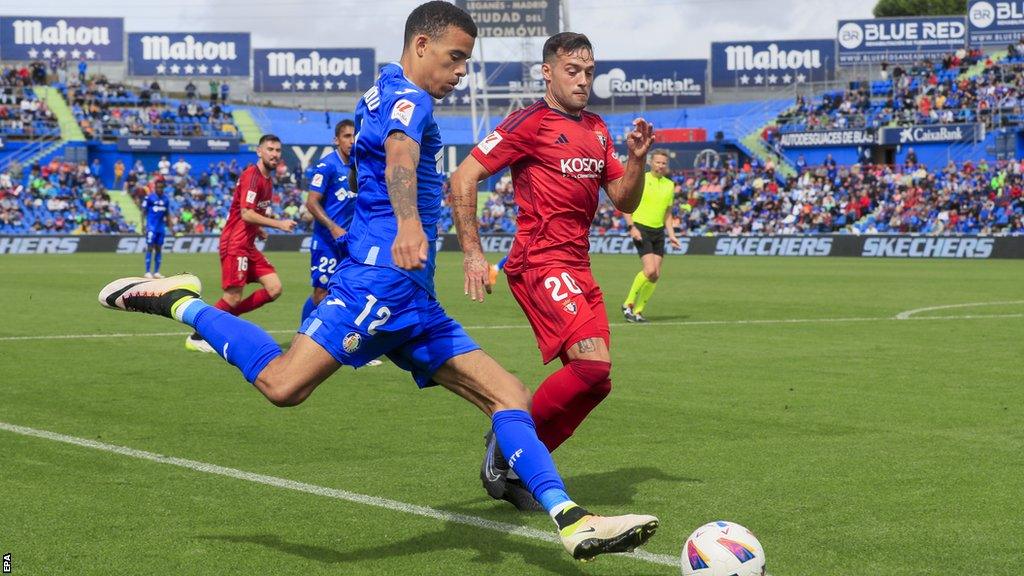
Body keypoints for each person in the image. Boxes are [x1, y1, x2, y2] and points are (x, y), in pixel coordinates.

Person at [98, 3, 657, 561]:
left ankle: (572, 520)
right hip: (379, 284)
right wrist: (411, 222)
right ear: (421, 47)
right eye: (455, 57)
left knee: (508, 396)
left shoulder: (384, 87)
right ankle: (179, 301)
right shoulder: (411, 99)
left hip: (412, 295)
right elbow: (399, 155)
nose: (461, 71)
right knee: (283, 385)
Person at [449, 32, 654, 509]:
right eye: (572, 71)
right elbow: (463, 176)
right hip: (540, 262)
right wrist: (474, 253)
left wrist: (637, 160)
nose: (583, 81)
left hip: (578, 265)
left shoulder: (598, 129)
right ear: (547, 72)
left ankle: (519, 455)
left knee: (597, 382)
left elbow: (624, 199)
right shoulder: (529, 122)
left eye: (589, 72)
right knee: (591, 363)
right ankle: (506, 444)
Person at [184, 134, 296, 353]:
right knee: (233, 297)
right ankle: (197, 336)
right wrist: (278, 224)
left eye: (277, 150)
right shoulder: (252, 176)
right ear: (259, 151)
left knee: (274, 288)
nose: (274, 154)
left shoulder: (267, 179)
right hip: (235, 243)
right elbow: (246, 213)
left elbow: (247, 211)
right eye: (270, 149)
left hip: (248, 244)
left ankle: (223, 321)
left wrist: (260, 228)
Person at [301, 119, 356, 322]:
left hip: (350, 242)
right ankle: (303, 338)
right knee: (321, 294)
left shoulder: (359, 167)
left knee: (350, 292)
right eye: (346, 136)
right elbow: (311, 203)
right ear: (336, 140)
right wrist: (333, 227)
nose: (351, 141)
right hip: (327, 241)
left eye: (354, 136)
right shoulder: (327, 166)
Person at [621, 149, 681, 322]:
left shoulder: (670, 185)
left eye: (663, 163)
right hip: (641, 228)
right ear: (650, 162)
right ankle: (628, 303)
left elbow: (668, 214)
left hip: (658, 231)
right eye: (657, 162)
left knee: (655, 274)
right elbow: (625, 204)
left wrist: (672, 235)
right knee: (650, 270)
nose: (660, 165)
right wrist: (631, 227)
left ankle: (638, 312)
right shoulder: (642, 179)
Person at [141, 178, 171, 278]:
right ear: (155, 188)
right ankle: (147, 271)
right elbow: (143, 212)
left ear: (163, 188)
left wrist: (171, 227)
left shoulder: (166, 199)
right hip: (151, 227)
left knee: (158, 249)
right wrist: (143, 225)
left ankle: (157, 272)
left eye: (161, 187)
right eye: (158, 187)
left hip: (160, 228)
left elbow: (167, 214)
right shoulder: (150, 198)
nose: (159, 189)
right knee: (150, 247)